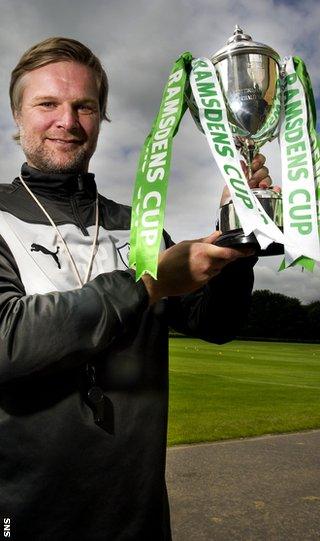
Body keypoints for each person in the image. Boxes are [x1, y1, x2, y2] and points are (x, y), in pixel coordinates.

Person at [0, 37, 271, 541]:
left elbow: (214, 323)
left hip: (136, 517)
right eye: (47, 104)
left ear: (101, 118)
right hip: (22, 515)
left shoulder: (139, 225)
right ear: (17, 114)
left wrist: (238, 232)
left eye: (85, 106)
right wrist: (146, 285)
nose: (68, 120)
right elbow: (6, 341)